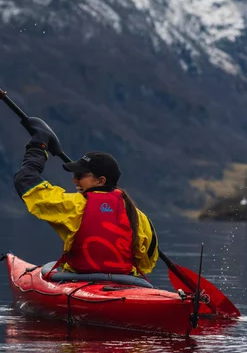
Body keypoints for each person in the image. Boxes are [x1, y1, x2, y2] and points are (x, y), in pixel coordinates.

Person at [13, 117, 158, 276]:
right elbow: (146, 264)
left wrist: (38, 146)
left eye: (80, 175)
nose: (74, 180)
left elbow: (26, 181)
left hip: (80, 282)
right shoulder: (139, 216)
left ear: (101, 181)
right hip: (125, 284)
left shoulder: (75, 206)